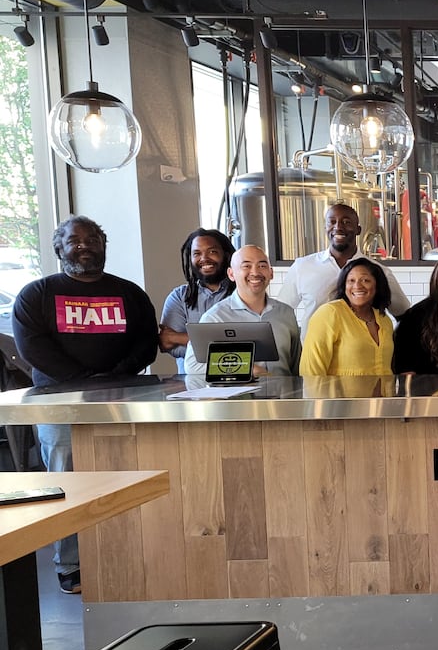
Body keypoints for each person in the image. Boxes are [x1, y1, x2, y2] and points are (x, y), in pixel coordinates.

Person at [13, 216, 159, 594]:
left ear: (103, 244)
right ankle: (71, 564)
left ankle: (128, 553)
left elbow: (146, 342)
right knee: (65, 480)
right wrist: (84, 379)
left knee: (127, 475)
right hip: (58, 403)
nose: (84, 244)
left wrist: (114, 377)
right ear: (59, 248)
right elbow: (33, 348)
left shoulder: (130, 293)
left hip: (123, 399)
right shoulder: (37, 294)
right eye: (74, 239)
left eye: (92, 238)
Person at [280, 203, 410, 338]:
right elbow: (281, 312)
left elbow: (405, 316)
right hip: (315, 355)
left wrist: (390, 347)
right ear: (325, 228)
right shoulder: (303, 267)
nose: (338, 227)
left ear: (358, 229)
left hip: (362, 355)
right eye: (332, 222)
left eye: (346, 222)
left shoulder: (379, 272)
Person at [183, 244, 301, 376]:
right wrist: (248, 368)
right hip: (241, 396)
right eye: (246, 266)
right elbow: (192, 365)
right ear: (231, 274)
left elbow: (296, 364)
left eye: (262, 266)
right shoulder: (216, 317)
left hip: (284, 394)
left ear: (271, 272)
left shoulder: (286, 313)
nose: (255, 273)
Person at [299, 257, 396, 376]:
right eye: (351, 281)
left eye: (365, 280)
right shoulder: (330, 313)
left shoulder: (384, 320)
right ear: (344, 286)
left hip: (384, 394)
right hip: (339, 395)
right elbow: (311, 371)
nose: (358, 286)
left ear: (377, 285)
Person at [159, 229, 236, 363]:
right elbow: (168, 345)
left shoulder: (242, 294)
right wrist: (225, 345)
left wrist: (180, 338)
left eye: (212, 252)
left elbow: (248, 343)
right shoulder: (179, 297)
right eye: (197, 253)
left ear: (226, 255)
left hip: (240, 380)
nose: (204, 258)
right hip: (191, 382)